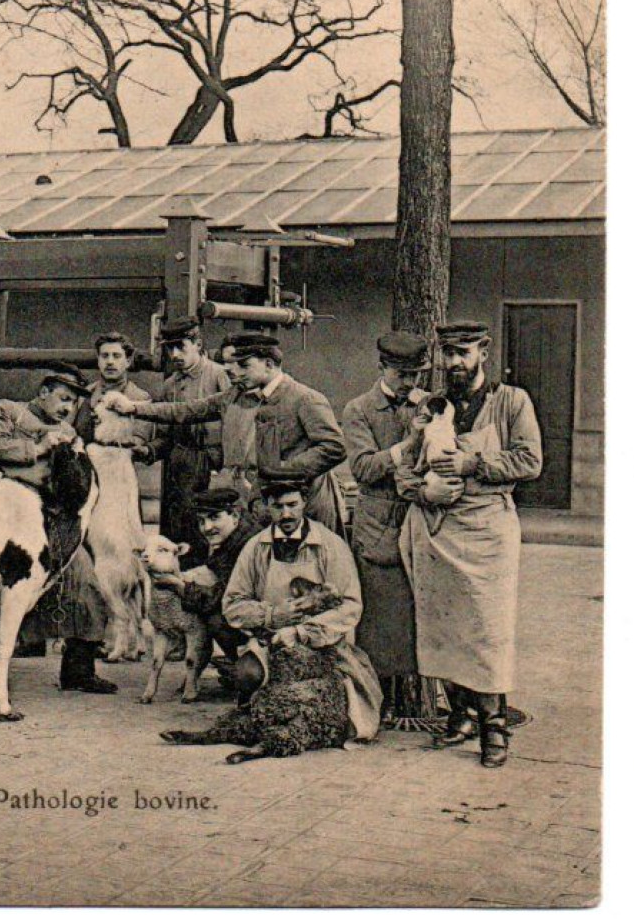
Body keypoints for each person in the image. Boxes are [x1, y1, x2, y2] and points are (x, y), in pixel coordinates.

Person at [397, 321, 543, 768]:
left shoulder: (510, 401)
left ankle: (494, 728)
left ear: (484, 350)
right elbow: (406, 465)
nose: (454, 363)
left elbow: (530, 460)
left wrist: (472, 462)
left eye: (463, 353)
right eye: (448, 354)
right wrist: (423, 488)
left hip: (487, 530)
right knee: (444, 628)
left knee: (487, 629)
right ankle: (459, 714)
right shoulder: (434, 406)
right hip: (438, 529)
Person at [105, 331, 347, 532]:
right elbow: (190, 410)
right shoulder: (237, 394)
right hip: (254, 502)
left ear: (269, 364)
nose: (236, 372)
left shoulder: (305, 398)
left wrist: (282, 472)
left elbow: (333, 447)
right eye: (234, 365)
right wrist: (135, 408)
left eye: (244, 366)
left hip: (299, 506)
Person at [0, 363, 116, 694]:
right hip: (5, 519)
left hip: (54, 519)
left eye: (73, 402)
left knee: (87, 585)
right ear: (43, 392)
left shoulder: (69, 432)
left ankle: (78, 670)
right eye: (63, 398)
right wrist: (37, 448)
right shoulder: (8, 411)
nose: (67, 408)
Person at [221, 479, 383, 743]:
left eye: (292, 505)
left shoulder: (330, 545)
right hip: (270, 640)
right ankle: (253, 709)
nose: (286, 514)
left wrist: (300, 632)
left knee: (340, 711)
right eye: (277, 507)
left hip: (323, 643)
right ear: (266, 507)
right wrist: (272, 615)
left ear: (304, 503)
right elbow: (232, 605)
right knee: (246, 674)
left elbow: (351, 605)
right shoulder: (256, 547)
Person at [341, 331, 431, 704]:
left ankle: (418, 702)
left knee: (420, 615)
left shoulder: (430, 405)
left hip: (422, 518)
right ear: (381, 369)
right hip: (378, 524)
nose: (410, 383)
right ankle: (377, 703)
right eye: (401, 375)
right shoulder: (358, 410)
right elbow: (362, 468)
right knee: (379, 619)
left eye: (415, 375)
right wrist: (407, 446)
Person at [148, 318, 233, 553]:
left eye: (181, 347)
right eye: (169, 348)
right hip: (179, 464)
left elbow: (234, 426)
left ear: (197, 344)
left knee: (213, 525)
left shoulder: (220, 376)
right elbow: (165, 434)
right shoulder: (169, 386)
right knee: (181, 525)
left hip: (213, 464)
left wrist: (223, 465)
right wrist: (148, 451)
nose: (175, 354)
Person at [173, 487, 258, 685]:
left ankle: (249, 667)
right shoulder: (234, 539)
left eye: (214, 517)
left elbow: (218, 599)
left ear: (234, 515)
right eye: (202, 521)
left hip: (267, 623)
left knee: (214, 618)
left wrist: (177, 585)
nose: (207, 527)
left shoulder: (246, 545)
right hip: (258, 616)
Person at [73, 331, 153, 454]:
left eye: (116, 356)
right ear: (98, 360)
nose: (110, 362)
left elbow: (138, 441)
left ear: (127, 361)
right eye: (105, 356)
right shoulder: (85, 394)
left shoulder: (140, 397)